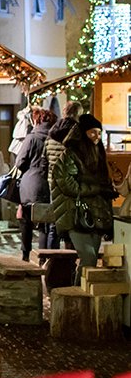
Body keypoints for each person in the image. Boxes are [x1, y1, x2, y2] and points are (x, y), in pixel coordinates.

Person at [49, 113, 116, 285]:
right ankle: (78, 296)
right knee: (89, 258)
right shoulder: (71, 154)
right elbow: (66, 184)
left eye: (99, 133)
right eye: (92, 132)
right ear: (83, 133)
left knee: (90, 261)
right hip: (76, 214)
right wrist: (95, 189)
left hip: (94, 214)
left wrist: (106, 190)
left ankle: (81, 295)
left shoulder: (98, 153)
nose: (97, 136)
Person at [13, 107, 56, 261]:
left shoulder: (32, 138)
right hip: (48, 184)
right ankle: (44, 258)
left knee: (26, 220)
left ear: (37, 120)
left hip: (30, 184)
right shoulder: (55, 139)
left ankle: (25, 255)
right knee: (45, 223)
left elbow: (19, 162)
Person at [43, 100, 83, 249]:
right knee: (73, 223)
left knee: (55, 222)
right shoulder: (78, 134)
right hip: (72, 183)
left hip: (53, 183)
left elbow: (44, 160)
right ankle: (70, 261)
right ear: (78, 114)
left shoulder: (51, 133)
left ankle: (50, 261)